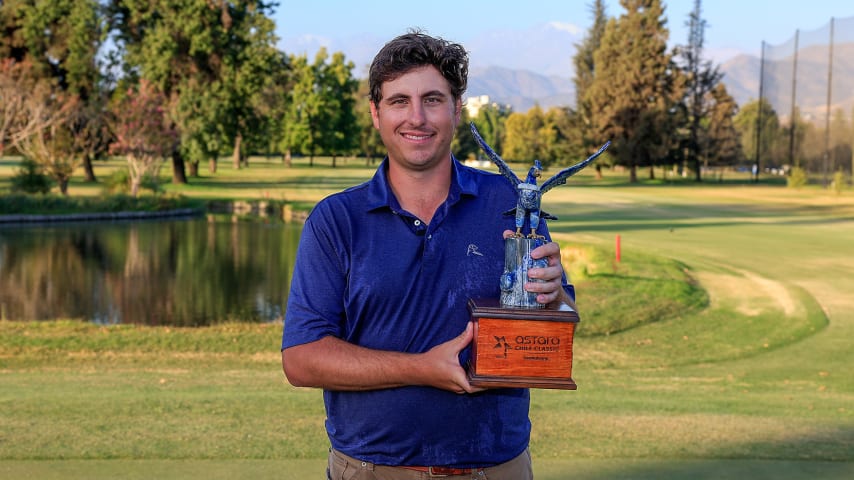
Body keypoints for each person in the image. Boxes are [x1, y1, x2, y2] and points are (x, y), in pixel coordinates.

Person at [281, 30, 576, 480]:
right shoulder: (335, 220)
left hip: (497, 469)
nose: (416, 117)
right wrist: (421, 369)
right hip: (373, 470)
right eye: (399, 101)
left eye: (433, 99)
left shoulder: (511, 202)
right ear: (375, 114)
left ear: (457, 110)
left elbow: (556, 319)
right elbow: (301, 359)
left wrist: (552, 295)